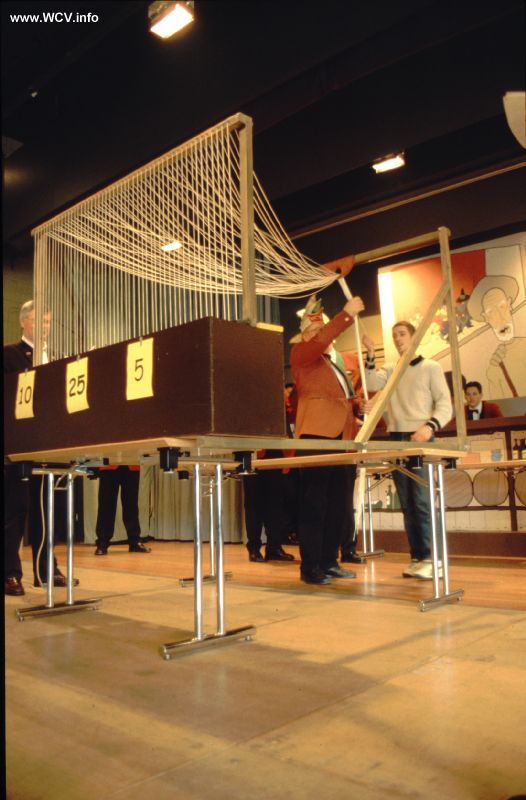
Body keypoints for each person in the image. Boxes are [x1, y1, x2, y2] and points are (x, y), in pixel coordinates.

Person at [363, 321, 452, 581]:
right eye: (394, 336)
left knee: (422, 501)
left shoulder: (431, 367)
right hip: (396, 440)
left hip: (420, 438)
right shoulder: (392, 369)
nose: (398, 339)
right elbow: (371, 381)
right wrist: (371, 353)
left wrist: (430, 426)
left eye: (402, 334)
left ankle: (432, 558)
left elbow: (445, 405)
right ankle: (417, 556)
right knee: (407, 503)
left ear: (414, 337)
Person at [290, 293, 365, 584]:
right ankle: (310, 566)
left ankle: (329, 561)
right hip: (316, 435)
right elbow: (320, 341)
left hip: (342, 438)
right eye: (313, 330)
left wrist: (357, 406)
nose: (319, 333)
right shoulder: (302, 354)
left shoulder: (331, 363)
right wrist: (345, 315)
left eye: (320, 329)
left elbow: (339, 397)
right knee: (315, 505)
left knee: (339, 505)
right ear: (304, 335)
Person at [3, 300, 76, 593]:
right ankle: (9, 573)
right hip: (19, 444)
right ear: (23, 322)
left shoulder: (56, 358)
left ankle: (46, 569)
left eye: (47, 322)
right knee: (15, 510)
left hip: (49, 443)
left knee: (47, 510)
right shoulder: (9, 354)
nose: (44, 327)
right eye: (37, 320)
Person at [242, 451, 295, 563]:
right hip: (253, 454)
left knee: (276, 505)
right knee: (254, 505)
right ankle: (254, 548)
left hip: (275, 454)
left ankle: (274, 548)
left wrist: (287, 459)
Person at [94, 465, 151, 555]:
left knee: (131, 505)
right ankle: (102, 543)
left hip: (131, 465)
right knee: (106, 504)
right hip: (109, 465)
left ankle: (134, 542)